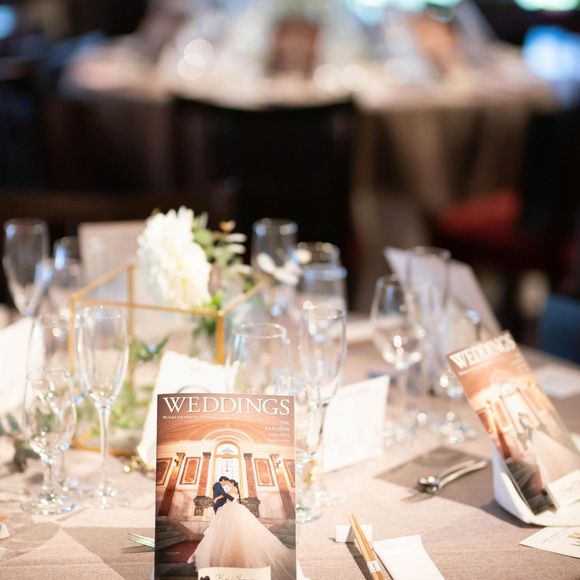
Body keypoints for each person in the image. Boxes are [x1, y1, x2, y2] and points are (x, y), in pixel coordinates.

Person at [188, 477, 295, 579]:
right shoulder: (233, 489)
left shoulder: (233, 488)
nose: (228, 484)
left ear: (232, 483)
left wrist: (217, 498)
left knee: (234, 527)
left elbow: (225, 495)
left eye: (229, 483)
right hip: (231, 507)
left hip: (231, 508)